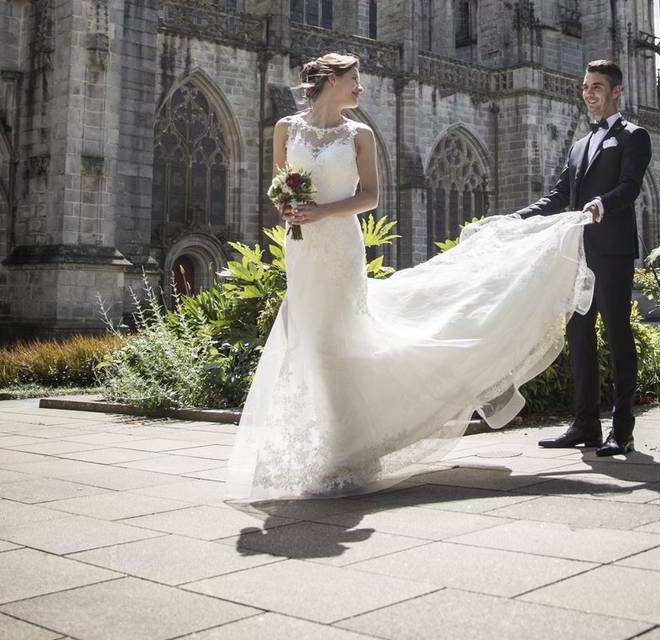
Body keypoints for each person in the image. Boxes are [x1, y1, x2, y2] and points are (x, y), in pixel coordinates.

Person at [226, 53, 595, 501]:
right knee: (313, 343)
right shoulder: (286, 128)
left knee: (340, 342)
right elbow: (278, 184)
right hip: (302, 249)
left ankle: (349, 452)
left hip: (341, 244)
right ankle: (331, 443)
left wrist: (321, 211)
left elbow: (370, 197)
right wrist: (289, 209)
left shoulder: (358, 133)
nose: (360, 87)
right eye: (354, 79)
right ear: (330, 81)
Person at [511, 59, 652, 457]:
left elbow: (629, 188)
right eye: (586, 86)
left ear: (616, 91)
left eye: (597, 86)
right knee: (579, 334)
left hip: (613, 251)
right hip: (578, 255)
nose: (589, 93)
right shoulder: (578, 145)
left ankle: (622, 430)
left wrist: (599, 206)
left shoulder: (633, 137)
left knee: (618, 333)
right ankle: (586, 424)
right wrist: (515, 218)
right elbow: (558, 197)